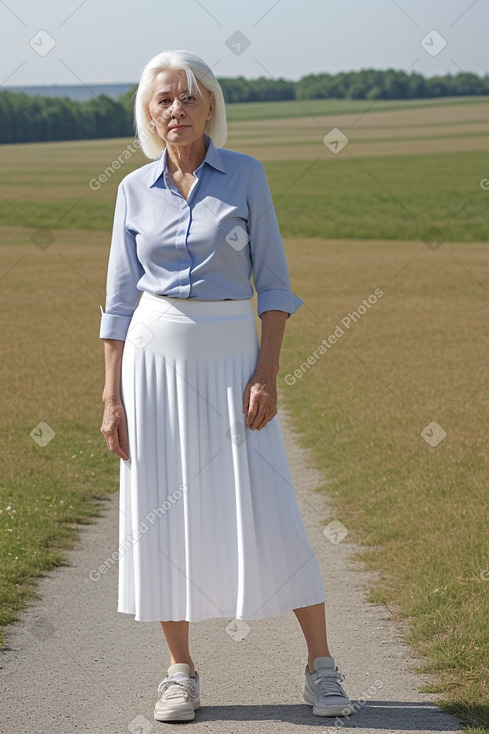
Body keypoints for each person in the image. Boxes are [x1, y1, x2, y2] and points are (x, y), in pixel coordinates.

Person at [99, 49, 353, 723]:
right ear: (148, 114)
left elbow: (273, 285)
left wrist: (266, 374)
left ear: (210, 104)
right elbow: (118, 304)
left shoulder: (245, 176)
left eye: (187, 97)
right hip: (150, 369)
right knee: (160, 516)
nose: (175, 110)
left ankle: (320, 666)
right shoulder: (132, 191)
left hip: (231, 359)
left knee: (269, 507)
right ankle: (179, 672)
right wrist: (111, 396)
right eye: (163, 100)